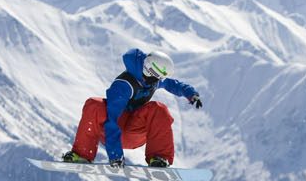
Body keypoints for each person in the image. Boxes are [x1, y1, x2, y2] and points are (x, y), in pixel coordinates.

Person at [60, 48, 203, 168]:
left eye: (158, 78)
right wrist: (115, 155)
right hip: (111, 133)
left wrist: (191, 94)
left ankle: (159, 158)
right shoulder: (124, 86)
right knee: (94, 105)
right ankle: (81, 154)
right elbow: (111, 120)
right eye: (154, 76)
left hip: (134, 132)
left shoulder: (152, 81)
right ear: (147, 70)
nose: (155, 81)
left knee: (158, 109)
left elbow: (173, 84)